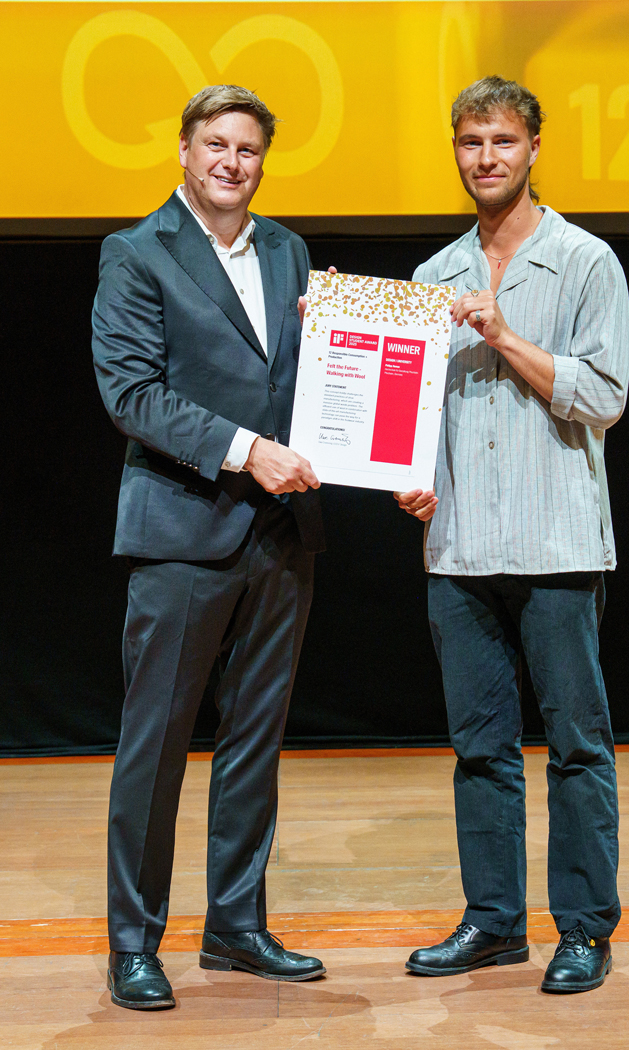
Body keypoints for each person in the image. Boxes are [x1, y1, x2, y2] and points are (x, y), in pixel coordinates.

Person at [92, 85, 327, 1010]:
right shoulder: (136, 252)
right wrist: (247, 450)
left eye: (249, 149)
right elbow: (131, 393)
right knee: (155, 746)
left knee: (255, 740)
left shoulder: (288, 250)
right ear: (185, 151)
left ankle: (235, 925)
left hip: (282, 532)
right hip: (183, 528)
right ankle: (133, 943)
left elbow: (307, 378)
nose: (233, 163)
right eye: (217, 145)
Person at [396, 75, 629, 994]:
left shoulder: (585, 261)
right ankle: (493, 922)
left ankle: (584, 930)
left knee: (577, 746)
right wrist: (406, 475)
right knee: (480, 749)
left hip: (556, 543)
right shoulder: (432, 277)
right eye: (470, 142)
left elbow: (604, 396)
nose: (485, 157)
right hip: (459, 549)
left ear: (534, 147)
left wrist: (502, 334)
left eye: (501, 140)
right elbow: (414, 414)